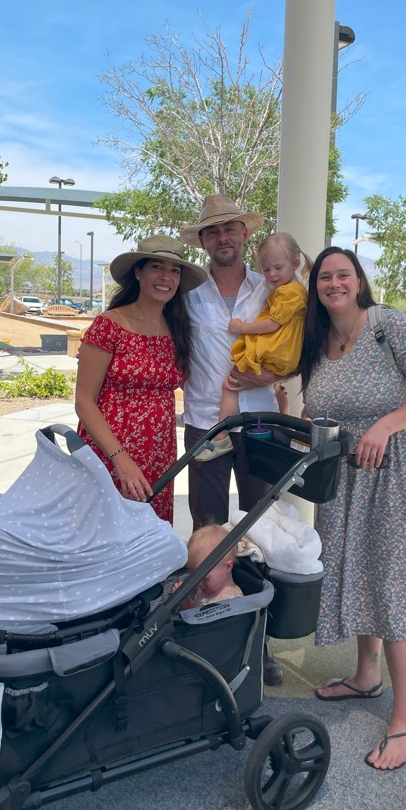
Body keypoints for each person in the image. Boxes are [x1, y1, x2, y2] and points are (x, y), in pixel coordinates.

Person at [299, 247, 406, 771]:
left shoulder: (391, 328)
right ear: (316, 287)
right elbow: (316, 405)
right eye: (325, 277)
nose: (334, 284)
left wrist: (385, 425)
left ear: (359, 281)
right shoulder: (318, 339)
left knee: (394, 581)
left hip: (395, 472)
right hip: (345, 475)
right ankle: (367, 676)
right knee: (359, 572)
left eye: (343, 274)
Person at [180, 194, 284, 685]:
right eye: (213, 231)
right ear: (202, 241)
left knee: (261, 525)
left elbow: (297, 346)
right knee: (207, 524)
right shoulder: (187, 295)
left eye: (230, 229)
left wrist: (271, 378)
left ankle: (260, 639)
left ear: (245, 234)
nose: (222, 238)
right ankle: (208, 630)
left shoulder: (272, 289)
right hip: (205, 420)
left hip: (260, 421)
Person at [75, 234, 207, 525]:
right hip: (110, 453)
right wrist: (120, 459)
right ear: (138, 272)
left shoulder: (178, 328)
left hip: (159, 453)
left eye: (174, 271)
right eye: (157, 267)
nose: (166, 277)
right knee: (105, 531)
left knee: (149, 535)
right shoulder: (109, 325)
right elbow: (84, 402)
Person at [195, 231, 309, 461]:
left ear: (295, 264)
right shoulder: (192, 290)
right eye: (267, 269)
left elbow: (274, 323)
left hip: (273, 360)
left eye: (278, 268)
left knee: (230, 383)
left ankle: (220, 436)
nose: (272, 274)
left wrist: (242, 327)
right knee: (233, 383)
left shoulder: (286, 291)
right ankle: (221, 434)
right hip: (202, 414)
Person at [177, 525, 244, 610]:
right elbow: (194, 610)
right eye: (194, 577)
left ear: (227, 567)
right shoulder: (205, 587)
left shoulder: (233, 601)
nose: (198, 583)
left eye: (205, 578)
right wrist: (184, 601)